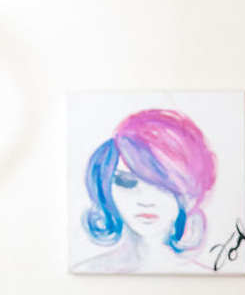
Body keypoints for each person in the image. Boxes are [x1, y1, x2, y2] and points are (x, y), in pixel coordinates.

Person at [75, 109, 217, 273]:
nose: (146, 200)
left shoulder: (208, 278)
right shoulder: (88, 271)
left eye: (163, 186)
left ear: (190, 193)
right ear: (104, 188)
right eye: (126, 182)